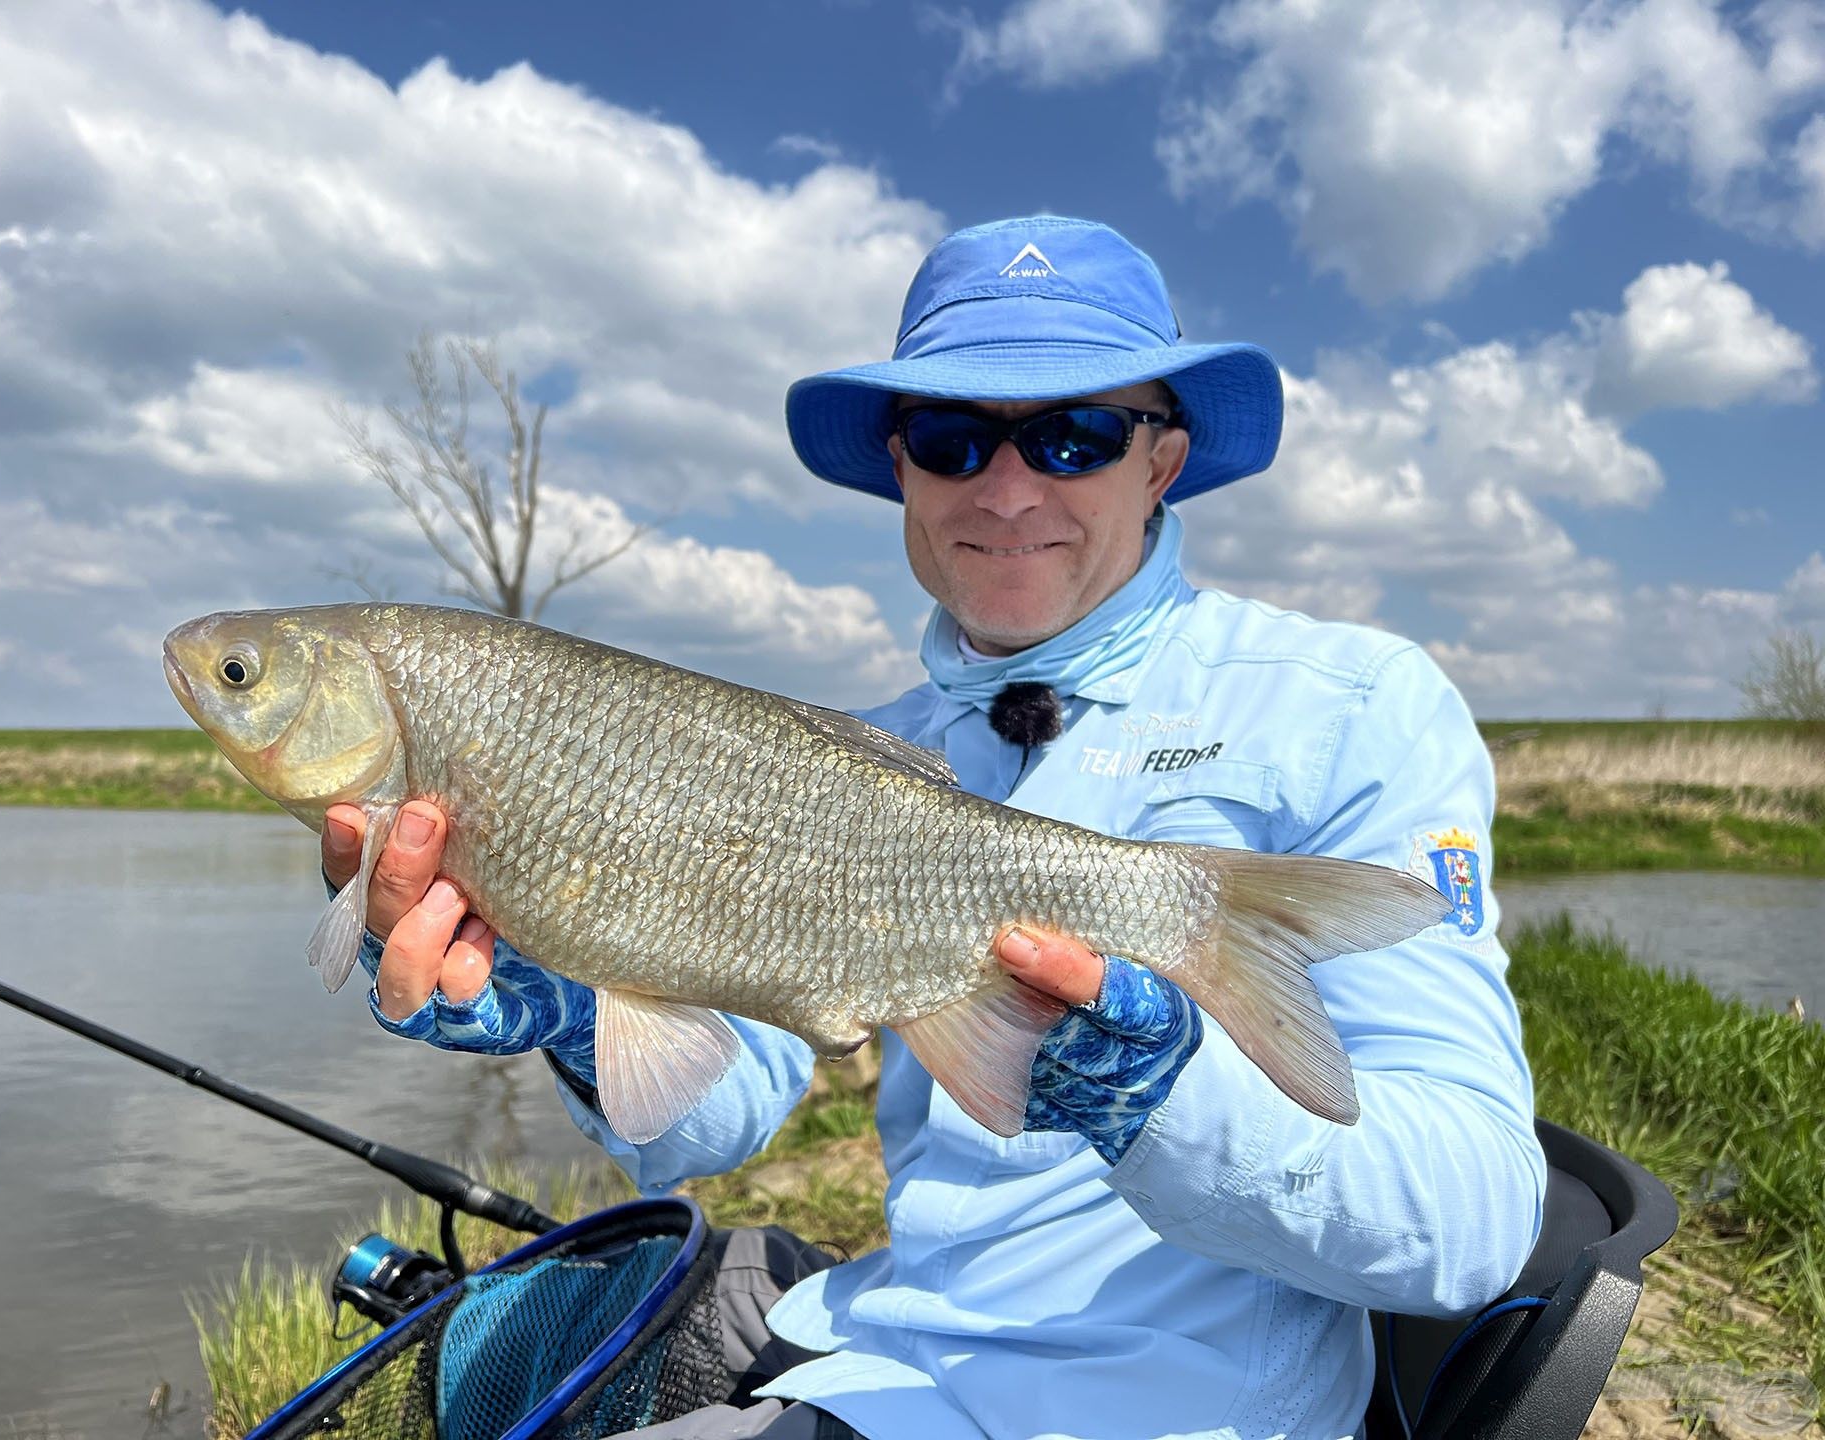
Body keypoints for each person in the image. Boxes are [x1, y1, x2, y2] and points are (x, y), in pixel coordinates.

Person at [321, 216, 1545, 1440]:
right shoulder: (856, 755)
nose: (1008, 491)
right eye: (956, 442)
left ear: (1160, 462)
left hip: (1175, 1407)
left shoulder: (1353, 706)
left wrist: (1165, 1093)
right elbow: (717, 1110)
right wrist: (581, 1000)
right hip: (880, 1363)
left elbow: (1472, 1225)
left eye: (1075, 437)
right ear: (902, 466)